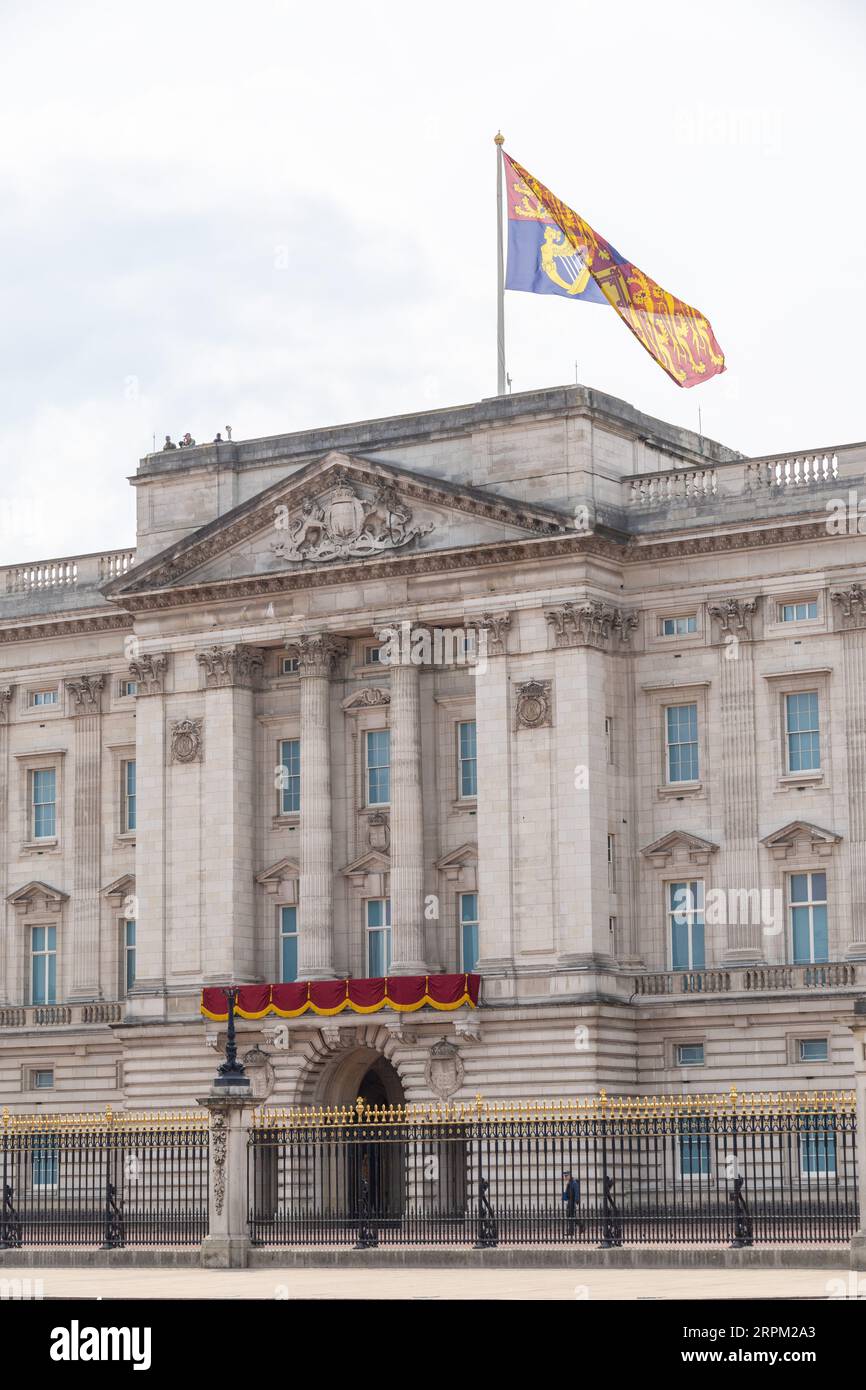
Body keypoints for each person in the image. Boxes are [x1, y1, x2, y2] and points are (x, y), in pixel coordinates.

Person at [562, 1170, 582, 1237]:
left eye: (566, 1176)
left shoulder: (574, 1183)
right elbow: (567, 1192)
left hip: (572, 1201)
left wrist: (576, 1200)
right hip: (569, 1200)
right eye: (565, 1176)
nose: (565, 1177)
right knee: (569, 1216)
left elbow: (576, 1191)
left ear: (570, 1175)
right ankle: (573, 1230)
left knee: (571, 1216)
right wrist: (564, 1197)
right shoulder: (569, 1183)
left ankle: (579, 1227)